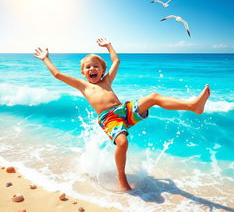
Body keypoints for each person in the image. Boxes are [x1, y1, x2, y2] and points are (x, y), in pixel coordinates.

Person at [34, 38, 210, 191]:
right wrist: (46, 59)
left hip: (124, 110)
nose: (92, 69)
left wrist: (109, 45)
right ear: (83, 73)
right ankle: (121, 177)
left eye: (96, 66)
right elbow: (57, 74)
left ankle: (193, 105)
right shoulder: (83, 86)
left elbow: (116, 60)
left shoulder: (107, 80)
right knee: (123, 142)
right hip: (108, 118)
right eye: (88, 67)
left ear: (102, 70)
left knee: (153, 97)